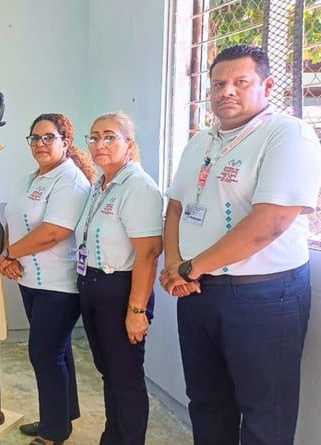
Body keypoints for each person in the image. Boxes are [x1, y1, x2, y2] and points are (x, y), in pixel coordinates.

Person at [159, 44, 321, 445]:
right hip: (197, 291)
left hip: (263, 296)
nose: (226, 91)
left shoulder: (287, 134)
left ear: (267, 85)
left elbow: (270, 222)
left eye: (240, 82)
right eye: (218, 84)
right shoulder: (201, 141)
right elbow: (176, 207)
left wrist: (189, 268)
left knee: (265, 412)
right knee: (206, 402)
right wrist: (175, 264)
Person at [0, 113, 96, 445]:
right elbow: (12, 219)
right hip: (30, 281)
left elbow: (54, 231)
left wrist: (9, 254)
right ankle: (61, 418)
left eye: (48, 137)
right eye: (35, 138)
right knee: (57, 351)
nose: (40, 144)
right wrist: (8, 255)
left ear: (65, 142)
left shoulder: (71, 181)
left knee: (44, 354)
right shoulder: (31, 178)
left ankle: (53, 433)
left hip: (59, 285)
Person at [75, 112, 163, 445]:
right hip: (92, 284)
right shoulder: (100, 185)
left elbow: (148, 253)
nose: (100, 144)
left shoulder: (138, 187)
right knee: (108, 372)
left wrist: (136, 310)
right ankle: (112, 438)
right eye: (94, 137)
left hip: (122, 290)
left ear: (129, 144)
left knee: (125, 378)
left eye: (110, 137)